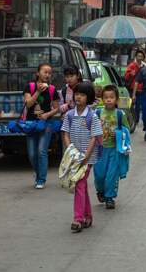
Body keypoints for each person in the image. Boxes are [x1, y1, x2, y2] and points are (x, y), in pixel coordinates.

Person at [61, 82, 103, 233]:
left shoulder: (92, 116)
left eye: (82, 94)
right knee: (81, 185)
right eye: (77, 94)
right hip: (74, 156)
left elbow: (94, 137)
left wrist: (86, 156)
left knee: (79, 183)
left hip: (88, 157)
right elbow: (65, 133)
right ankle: (88, 216)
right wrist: (71, 150)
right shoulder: (69, 115)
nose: (78, 97)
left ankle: (78, 219)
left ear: (89, 98)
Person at [23, 63, 60, 189]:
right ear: (38, 73)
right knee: (32, 154)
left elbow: (57, 109)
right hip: (31, 124)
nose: (47, 75)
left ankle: (41, 179)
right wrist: (38, 92)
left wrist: (47, 114)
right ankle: (38, 174)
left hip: (46, 123)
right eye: (45, 72)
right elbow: (28, 104)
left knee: (41, 151)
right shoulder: (30, 86)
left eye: (49, 73)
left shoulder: (52, 89)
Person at [93, 85, 130, 210]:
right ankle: (100, 191)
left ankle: (110, 197)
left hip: (115, 150)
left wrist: (119, 133)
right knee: (99, 175)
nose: (109, 100)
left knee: (111, 175)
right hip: (99, 150)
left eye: (111, 97)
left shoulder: (120, 114)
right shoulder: (97, 112)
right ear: (102, 99)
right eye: (106, 97)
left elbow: (127, 129)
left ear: (116, 99)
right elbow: (90, 127)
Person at [124, 49, 146, 130]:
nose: (140, 58)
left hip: (141, 89)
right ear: (136, 56)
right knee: (131, 105)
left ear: (143, 57)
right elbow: (126, 76)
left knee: (138, 106)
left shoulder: (144, 67)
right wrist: (130, 74)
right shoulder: (132, 65)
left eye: (141, 56)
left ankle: (136, 120)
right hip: (132, 88)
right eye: (138, 56)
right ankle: (132, 119)